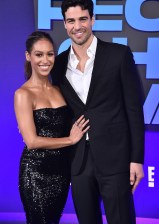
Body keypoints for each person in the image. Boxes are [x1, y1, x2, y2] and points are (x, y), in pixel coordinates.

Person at [51, 0, 145, 224]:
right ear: (65, 24)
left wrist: (137, 159)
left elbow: (134, 109)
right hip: (79, 160)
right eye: (71, 21)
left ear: (93, 19)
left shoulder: (118, 55)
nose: (77, 26)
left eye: (83, 19)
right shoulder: (59, 63)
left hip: (116, 157)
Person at [14, 31, 89, 224]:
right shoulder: (23, 94)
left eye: (50, 54)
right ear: (28, 56)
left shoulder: (59, 89)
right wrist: (70, 140)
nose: (45, 60)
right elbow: (31, 141)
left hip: (61, 173)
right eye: (39, 54)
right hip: (36, 172)